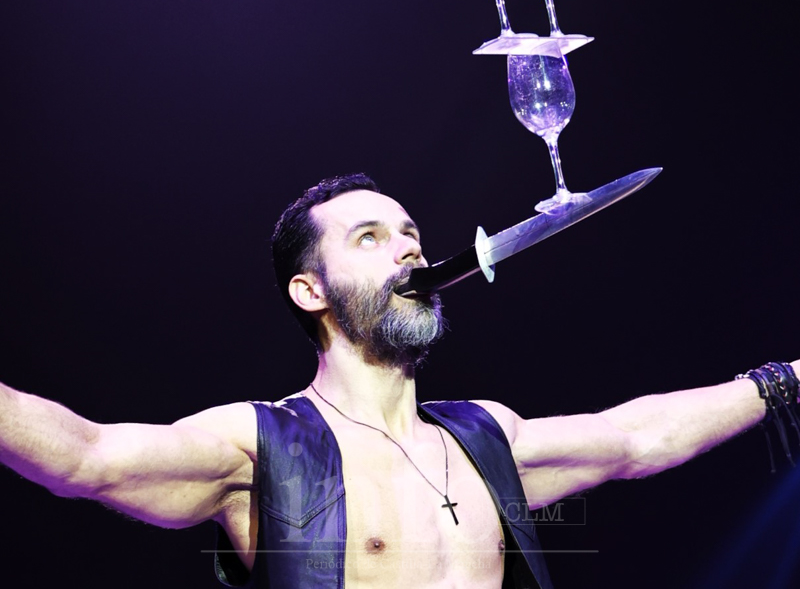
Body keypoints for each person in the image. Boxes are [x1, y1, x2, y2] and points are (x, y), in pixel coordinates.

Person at [0, 172, 797, 589]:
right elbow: (85, 456)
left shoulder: (485, 435)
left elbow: (635, 439)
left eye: (411, 235)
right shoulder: (259, 446)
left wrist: (788, 379)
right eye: (370, 238)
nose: (410, 250)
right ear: (310, 291)